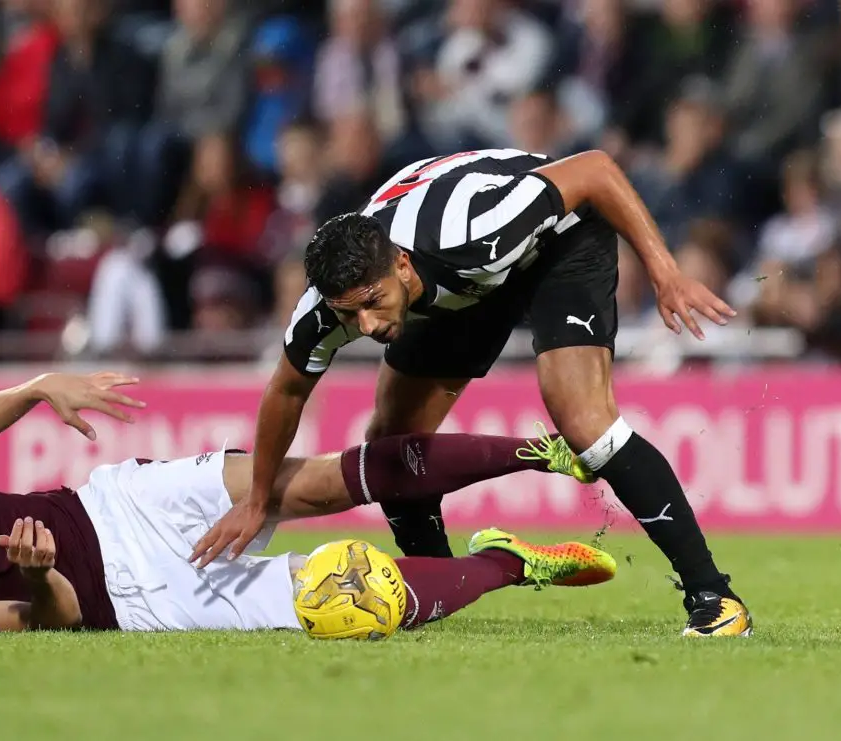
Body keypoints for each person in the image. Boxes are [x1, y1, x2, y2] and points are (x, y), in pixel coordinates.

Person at [193, 147, 753, 638]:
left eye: (372, 303)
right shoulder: (329, 306)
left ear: (401, 266)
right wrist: (258, 500)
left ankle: (714, 597)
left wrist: (664, 271)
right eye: (349, 313)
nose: (366, 325)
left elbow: (595, 169)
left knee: (585, 422)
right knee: (390, 443)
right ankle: (438, 587)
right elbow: (287, 391)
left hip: (557, 240)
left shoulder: (478, 228)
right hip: (461, 284)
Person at [0, 371, 614, 633]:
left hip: (116, 506)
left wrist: (35, 389)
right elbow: (50, 621)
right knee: (360, 601)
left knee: (308, 478)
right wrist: (35, 574)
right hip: (139, 598)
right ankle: (507, 561)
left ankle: (539, 451)